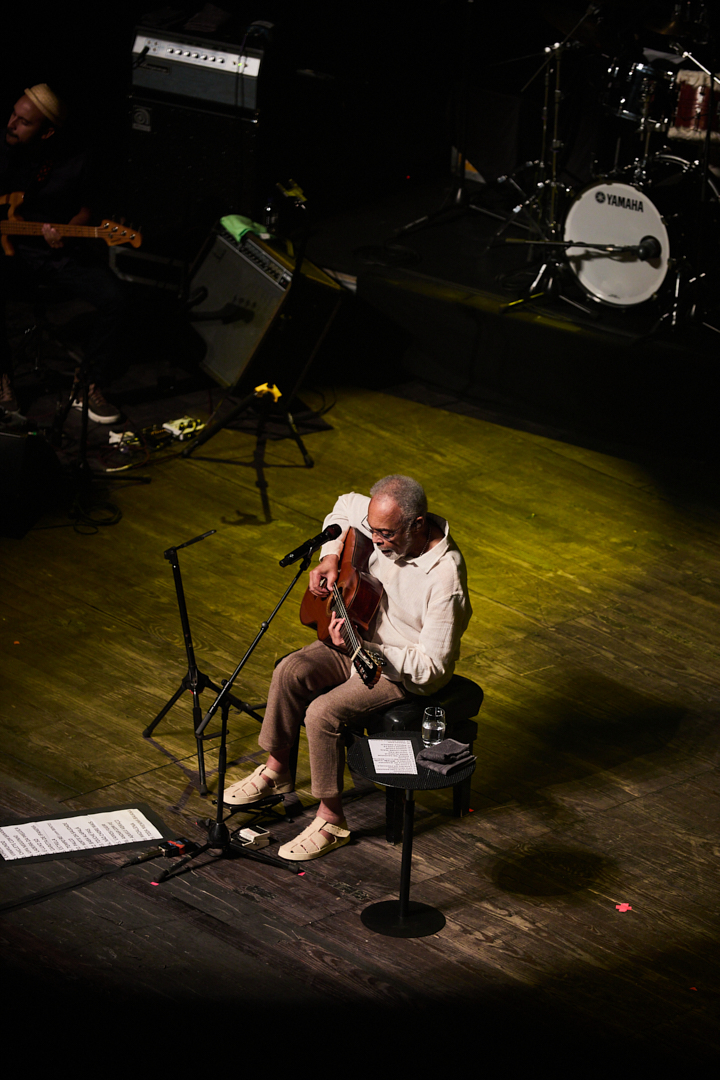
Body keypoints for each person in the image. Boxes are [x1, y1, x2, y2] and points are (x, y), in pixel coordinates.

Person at [224, 474, 472, 862]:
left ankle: (331, 819)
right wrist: (329, 556)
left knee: (322, 713)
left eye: (386, 534)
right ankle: (276, 771)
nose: (375, 540)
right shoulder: (379, 520)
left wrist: (371, 651)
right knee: (291, 670)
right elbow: (343, 507)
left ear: (418, 524)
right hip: (356, 635)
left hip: (397, 669)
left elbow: (433, 668)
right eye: (373, 529)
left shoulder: (445, 579)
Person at [0, 84, 125, 423]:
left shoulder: (75, 159)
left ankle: (88, 384)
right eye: (13, 114)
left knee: (113, 297)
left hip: (55, 253)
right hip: (10, 252)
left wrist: (67, 232)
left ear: (47, 131)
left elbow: (86, 210)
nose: (12, 123)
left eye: (24, 122)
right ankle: (2, 380)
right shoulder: (4, 150)